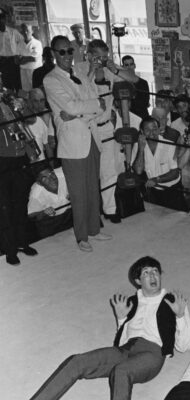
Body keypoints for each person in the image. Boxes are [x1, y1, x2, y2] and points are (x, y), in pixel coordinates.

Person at [0, 256, 190, 400]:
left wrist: (181, 316)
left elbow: (184, 346)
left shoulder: (173, 302)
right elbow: (121, 340)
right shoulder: (132, 302)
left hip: (152, 354)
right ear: (138, 281)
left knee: (122, 371)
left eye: (155, 271)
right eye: (146, 273)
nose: (152, 276)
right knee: (77, 361)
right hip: (126, 349)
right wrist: (121, 319)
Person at [43, 35, 111, 252]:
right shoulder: (51, 79)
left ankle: (94, 229)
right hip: (72, 143)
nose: (66, 56)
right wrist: (86, 108)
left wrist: (82, 110)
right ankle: (82, 236)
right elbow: (72, 106)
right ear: (53, 54)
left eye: (69, 51)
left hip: (91, 137)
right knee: (79, 192)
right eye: (61, 52)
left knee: (93, 187)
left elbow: (96, 105)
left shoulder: (79, 73)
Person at [74, 39, 136, 224]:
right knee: (90, 173)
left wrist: (114, 69)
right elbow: (79, 90)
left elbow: (134, 79)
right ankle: (93, 212)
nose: (101, 60)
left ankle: (110, 209)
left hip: (106, 125)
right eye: (98, 57)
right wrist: (92, 70)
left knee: (109, 170)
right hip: (87, 126)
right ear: (89, 55)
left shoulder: (110, 68)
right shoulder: (78, 69)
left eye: (104, 57)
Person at [0, 90, 38, 265]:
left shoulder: (9, 99)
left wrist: (22, 107)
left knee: (21, 201)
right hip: (3, 160)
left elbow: (31, 119)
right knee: (5, 207)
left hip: (20, 156)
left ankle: (22, 242)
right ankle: (9, 249)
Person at [134, 115, 188, 212]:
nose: (151, 133)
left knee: (179, 220)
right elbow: (138, 170)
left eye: (154, 129)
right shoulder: (139, 145)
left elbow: (175, 173)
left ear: (159, 130)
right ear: (142, 132)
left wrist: (156, 179)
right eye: (147, 130)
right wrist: (141, 149)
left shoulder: (170, 145)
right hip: (153, 191)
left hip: (172, 190)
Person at [0, 6, 24, 90]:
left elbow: (22, 42)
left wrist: (19, 54)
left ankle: (20, 101)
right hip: (2, 61)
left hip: (13, 60)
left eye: (2, 19)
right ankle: (10, 102)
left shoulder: (13, 32)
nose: (0, 21)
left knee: (17, 83)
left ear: (5, 20)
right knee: (6, 85)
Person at [121, 55, 150, 120]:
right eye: (126, 65)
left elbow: (145, 103)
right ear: (122, 67)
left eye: (131, 64)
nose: (129, 67)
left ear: (134, 65)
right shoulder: (120, 83)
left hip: (142, 116)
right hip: (127, 116)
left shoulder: (143, 83)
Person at [18, 23, 42, 92]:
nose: (25, 33)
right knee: (26, 91)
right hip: (23, 72)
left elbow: (34, 58)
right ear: (21, 32)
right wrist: (27, 58)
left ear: (32, 31)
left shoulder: (37, 43)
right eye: (23, 31)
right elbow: (16, 60)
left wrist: (22, 59)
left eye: (27, 30)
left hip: (34, 71)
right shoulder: (19, 43)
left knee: (36, 92)